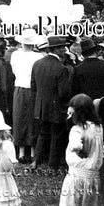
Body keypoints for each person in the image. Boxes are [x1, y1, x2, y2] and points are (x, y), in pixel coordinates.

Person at [31, 36, 72, 170]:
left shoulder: (37, 63)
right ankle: (52, 165)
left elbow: (33, 86)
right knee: (56, 136)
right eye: (63, 48)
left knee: (43, 133)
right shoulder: (61, 68)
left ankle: (36, 161)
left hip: (41, 105)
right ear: (57, 49)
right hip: (56, 107)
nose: (65, 50)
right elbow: (64, 93)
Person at [59, 94, 103, 206]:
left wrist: (78, 150)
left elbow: (76, 145)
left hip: (76, 176)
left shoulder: (77, 129)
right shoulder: (99, 127)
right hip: (93, 177)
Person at [11, 29, 43, 164]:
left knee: (19, 118)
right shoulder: (38, 56)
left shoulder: (15, 55)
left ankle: (22, 151)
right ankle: (32, 151)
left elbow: (14, 70)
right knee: (31, 119)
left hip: (20, 88)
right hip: (31, 88)